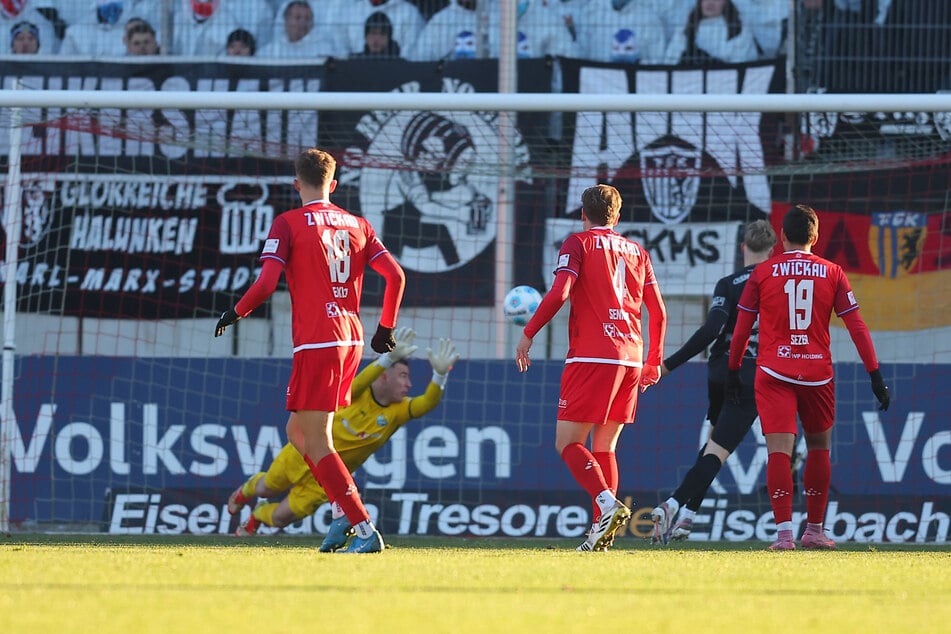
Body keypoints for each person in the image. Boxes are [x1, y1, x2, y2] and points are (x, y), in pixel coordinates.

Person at [214, 147, 406, 554]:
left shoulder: (287, 223)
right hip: (350, 338)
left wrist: (236, 310)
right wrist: (384, 328)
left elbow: (266, 284)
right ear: (333, 185)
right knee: (297, 432)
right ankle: (340, 514)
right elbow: (395, 275)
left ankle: (364, 527)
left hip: (318, 340)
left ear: (296, 184)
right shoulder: (357, 224)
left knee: (316, 440)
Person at [728, 204, 890, 551]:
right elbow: (857, 327)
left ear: (781, 237)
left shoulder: (763, 272)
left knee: (779, 452)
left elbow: (742, 329)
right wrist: (874, 373)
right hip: (817, 373)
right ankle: (814, 531)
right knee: (819, 448)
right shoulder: (833, 272)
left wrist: (733, 369)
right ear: (815, 237)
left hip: (773, 372)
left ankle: (784, 535)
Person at [515, 184, 668, 552]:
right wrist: (654, 361)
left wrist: (528, 332)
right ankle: (601, 531)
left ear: (583, 215)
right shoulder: (638, 252)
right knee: (605, 446)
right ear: (617, 216)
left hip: (592, 355)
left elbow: (561, 292)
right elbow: (659, 311)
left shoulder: (578, 244)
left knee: (567, 442)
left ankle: (604, 504)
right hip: (631, 356)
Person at [227, 328, 460, 547]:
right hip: (302, 453)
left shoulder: (398, 412)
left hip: (330, 477)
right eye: (402, 376)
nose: (409, 384)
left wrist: (439, 376)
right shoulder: (356, 393)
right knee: (267, 488)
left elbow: (427, 403)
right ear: (383, 378)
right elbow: (360, 381)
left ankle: (255, 518)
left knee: (280, 519)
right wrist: (386, 359)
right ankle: (245, 490)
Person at [649, 220, 777, 544]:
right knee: (718, 452)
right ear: (773, 250)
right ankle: (673, 504)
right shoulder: (778, 282)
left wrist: (667, 365)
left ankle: (688, 517)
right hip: (753, 373)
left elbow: (712, 331)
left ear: (742, 248)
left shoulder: (728, 282)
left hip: (719, 369)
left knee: (712, 444)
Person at [663, 0, 759, 65]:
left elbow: (743, 68)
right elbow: (671, 61)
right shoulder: (685, 28)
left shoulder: (739, 31)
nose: (710, 2)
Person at [572, 0, 668, 64]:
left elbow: (656, 60)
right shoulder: (591, 12)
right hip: (597, 84)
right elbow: (581, 53)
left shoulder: (648, 19)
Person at [258, 0, 338, 59]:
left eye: (307, 18)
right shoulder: (269, 52)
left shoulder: (325, 50)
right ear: (286, 20)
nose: (303, 22)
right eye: (297, 18)